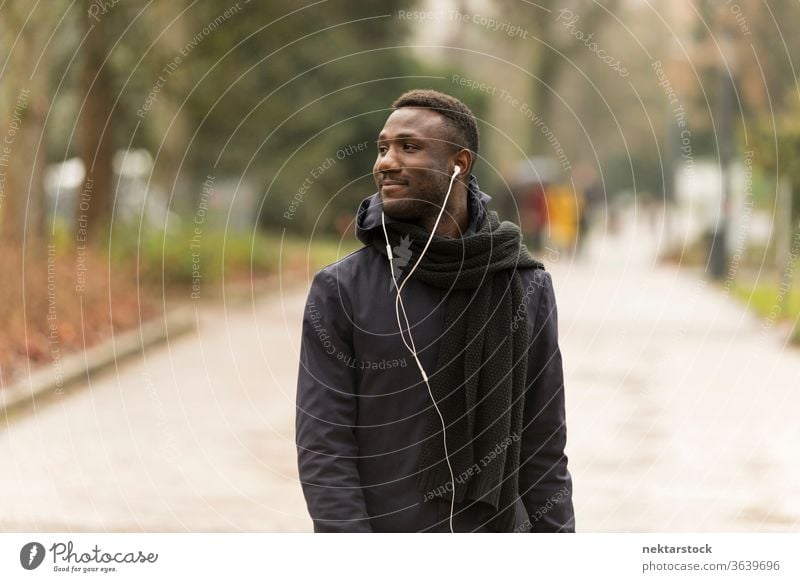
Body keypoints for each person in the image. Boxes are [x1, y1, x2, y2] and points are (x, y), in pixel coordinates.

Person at [295, 89, 574, 533]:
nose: (386, 161)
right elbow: (324, 446)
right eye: (382, 148)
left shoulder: (524, 284)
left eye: (409, 147)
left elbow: (542, 446)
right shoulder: (341, 290)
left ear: (458, 163)